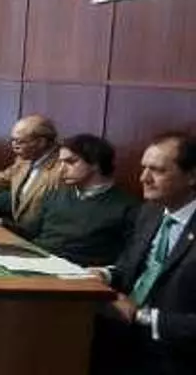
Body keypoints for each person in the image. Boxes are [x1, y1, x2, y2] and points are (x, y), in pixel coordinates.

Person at [90, 133, 196, 375]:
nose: (144, 178)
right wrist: (104, 275)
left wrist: (141, 316)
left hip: (173, 351)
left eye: (157, 170)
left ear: (192, 176)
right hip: (121, 335)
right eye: (143, 168)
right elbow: (128, 266)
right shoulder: (150, 211)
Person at [27, 134, 140, 266]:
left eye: (70, 162)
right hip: (36, 259)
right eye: (60, 162)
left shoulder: (128, 206)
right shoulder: (56, 193)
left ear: (95, 163)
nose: (61, 169)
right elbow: (30, 231)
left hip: (77, 270)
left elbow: (129, 258)